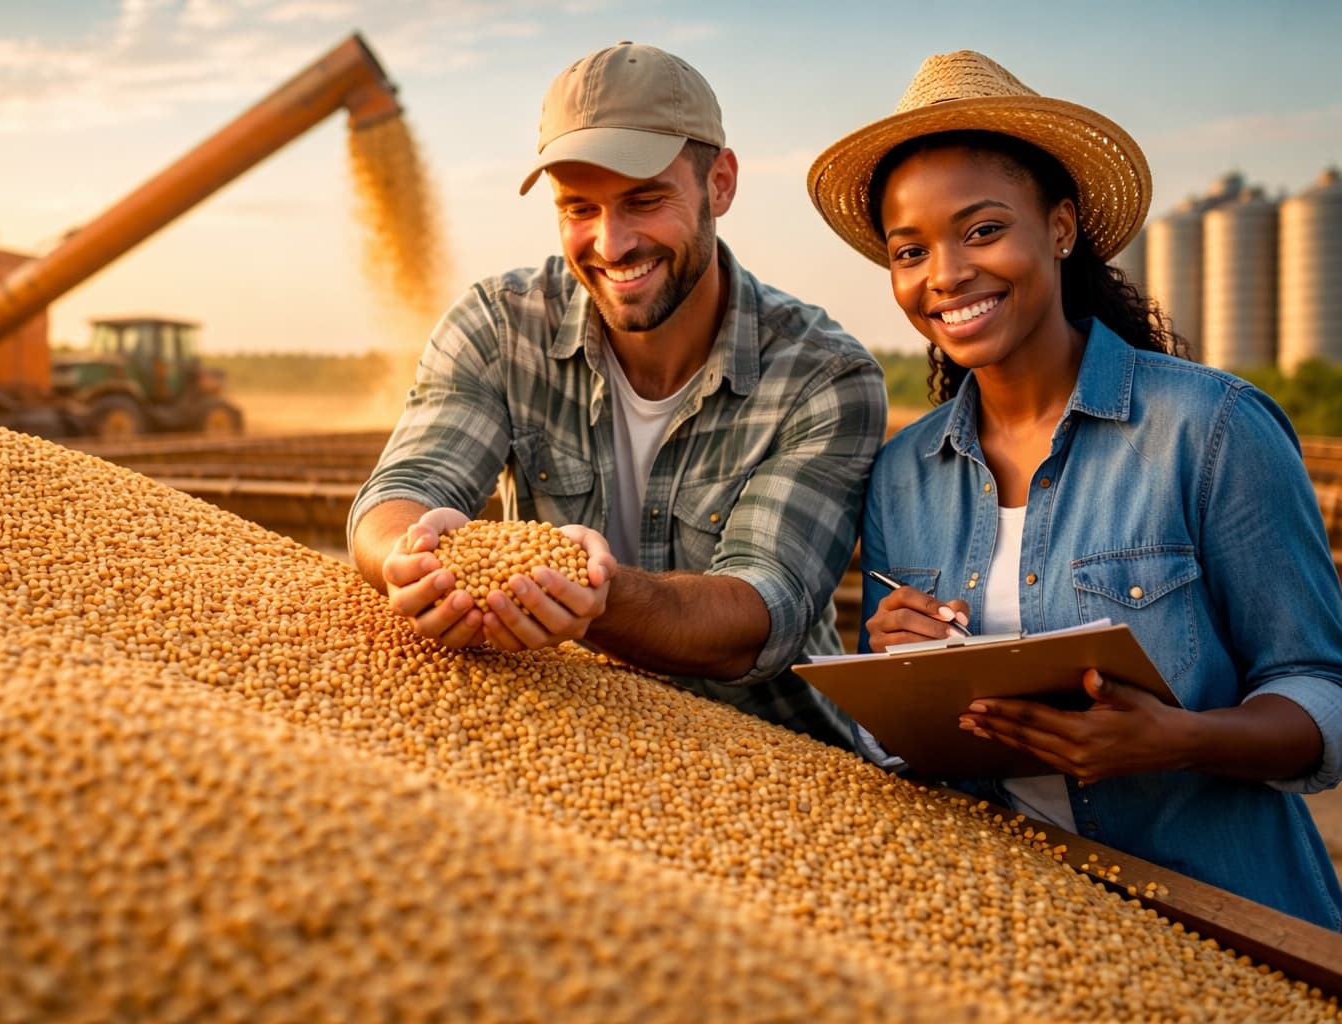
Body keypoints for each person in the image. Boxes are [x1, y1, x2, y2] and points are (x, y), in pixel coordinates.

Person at [806, 50, 1342, 928]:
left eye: (982, 230)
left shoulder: (1210, 430)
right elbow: (903, 754)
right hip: (1016, 922)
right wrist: (891, 679)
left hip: (1223, 918)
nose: (944, 274)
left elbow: (1322, 688)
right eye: (912, 250)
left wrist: (1182, 741)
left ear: (1059, 228)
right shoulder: (905, 476)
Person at [348, 42, 886, 744]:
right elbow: (401, 489)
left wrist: (590, 595)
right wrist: (408, 557)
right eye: (578, 207)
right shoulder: (499, 325)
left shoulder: (822, 376)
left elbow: (760, 610)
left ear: (719, 183)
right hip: (556, 733)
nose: (611, 242)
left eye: (644, 200)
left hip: (771, 750)